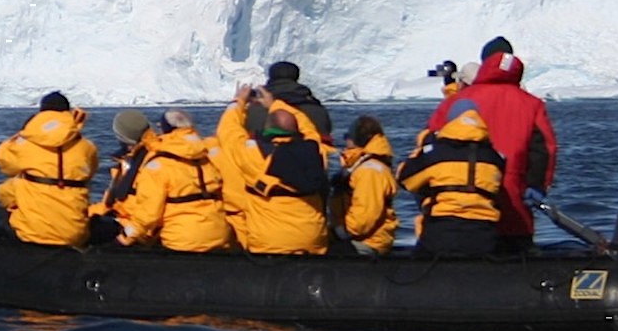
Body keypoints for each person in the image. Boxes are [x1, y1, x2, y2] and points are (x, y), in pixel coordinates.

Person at [425, 36, 557, 252]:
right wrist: (536, 187)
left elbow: (430, 146)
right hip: (515, 209)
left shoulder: (456, 101)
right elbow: (543, 151)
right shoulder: (532, 104)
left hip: (459, 212)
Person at [214, 84, 331, 254]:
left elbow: (228, 132)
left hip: (268, 241)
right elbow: (310, 130)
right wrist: (275, 104)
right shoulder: (316, 152)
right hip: (313, 240)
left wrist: (238, 102)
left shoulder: (253, 155)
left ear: (267, 129)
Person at [110, 110, 230, 252]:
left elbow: (148, 215)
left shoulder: (158, 165)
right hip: (221, 235)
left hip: (182, 241)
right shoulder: (208, 155)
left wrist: (124, 238)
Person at [398, 100, 506, 256]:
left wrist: (421, 150)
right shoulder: (494, 157)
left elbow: (404, 180)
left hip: (441, 232)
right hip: (484, 235)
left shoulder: (435, 154)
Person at [0, 91, 99, 247]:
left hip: (31, 232)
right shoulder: (87, 147)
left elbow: (4, 164)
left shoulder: (25, 143)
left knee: (9, 189)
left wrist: (23, 134)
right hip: (75, 234)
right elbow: (89, 173)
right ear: (67, 112)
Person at [330, 114, 398, 256]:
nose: (345, 140)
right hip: (355, 236)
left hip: (368, 242)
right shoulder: (361, 167)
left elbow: (365, 216)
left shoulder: (370, 171)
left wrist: (340, 232)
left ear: (359, 139)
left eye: (348, 136)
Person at [89, 109, 154, 242]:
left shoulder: (150, 162)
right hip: (121, 218)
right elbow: (110, 204)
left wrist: (126, 235)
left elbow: (148, 213)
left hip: (134, 227)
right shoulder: (129, 159)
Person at [263, 60, 333, 142]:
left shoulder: (255, 108)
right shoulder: (318, 109)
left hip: (264, 152)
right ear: (297, 77)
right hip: (313, 152)